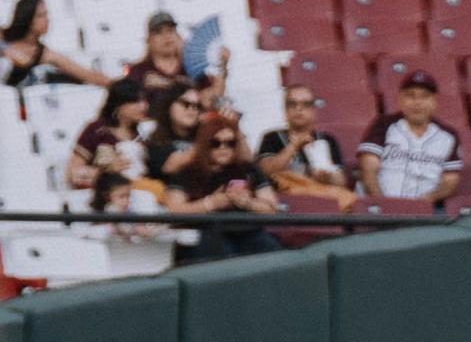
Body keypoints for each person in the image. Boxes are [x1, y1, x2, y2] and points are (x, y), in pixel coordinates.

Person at [162, 115, 282, 263]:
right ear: (205, 144)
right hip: (205, 232)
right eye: (215, 143)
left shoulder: (248, 170)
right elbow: (174, 210)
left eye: (230, 143)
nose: (223, 148)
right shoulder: (187, 171)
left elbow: (272, 208)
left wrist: (247, 203)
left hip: (248, 231)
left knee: (276, 255)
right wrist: (210, 204)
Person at [355, 70, 462, 205]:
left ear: (435, 101)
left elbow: (450, 181)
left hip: (424, 214)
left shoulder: (448, 135)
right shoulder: (383, 125)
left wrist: (426, 202)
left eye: (425, 96)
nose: (417, 102)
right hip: (380, 211)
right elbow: (368, 170)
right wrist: (382, 205)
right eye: (410, 96)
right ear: (400, 99)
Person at [256, 85, 355, 210]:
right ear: (285, 110)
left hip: (321, 202)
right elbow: (265, 172)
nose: (299, 109)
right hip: (286, 205)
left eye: (306, 104)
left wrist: (328, 176)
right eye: (292, 104)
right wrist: (293, 146)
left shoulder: (326, 140)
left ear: (314, 110)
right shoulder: (272, 137)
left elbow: (341, 182)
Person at [126, 11, 227, 111]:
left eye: (170, 30)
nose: (166, 36)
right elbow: (127, 104)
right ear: (149, 40)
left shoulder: (190, 67)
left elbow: (210, 99)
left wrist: (222, 66)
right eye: (158, 32)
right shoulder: (139, 71)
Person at [4, 0, 111, 88]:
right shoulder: (3, 35)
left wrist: (116, 84)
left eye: (46, 14)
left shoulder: (45, 54)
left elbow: (86, 74)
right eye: (40, 16)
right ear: (27, 19)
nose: (47, 20)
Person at [66, 78, 149, 189]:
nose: (144, 106)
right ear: (118, 105)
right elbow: (72, 173)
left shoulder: (141, 135)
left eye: (144, 100)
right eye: (135, 102)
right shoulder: (97, 130)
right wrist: (106, 172)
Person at [143, 87, 204, 187]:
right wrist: (208, 135)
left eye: (197, 106)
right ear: (169, 105)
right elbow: (170, 166)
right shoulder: (156, 138)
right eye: (186, 103)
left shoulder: (201, 135)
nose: (192, 109)